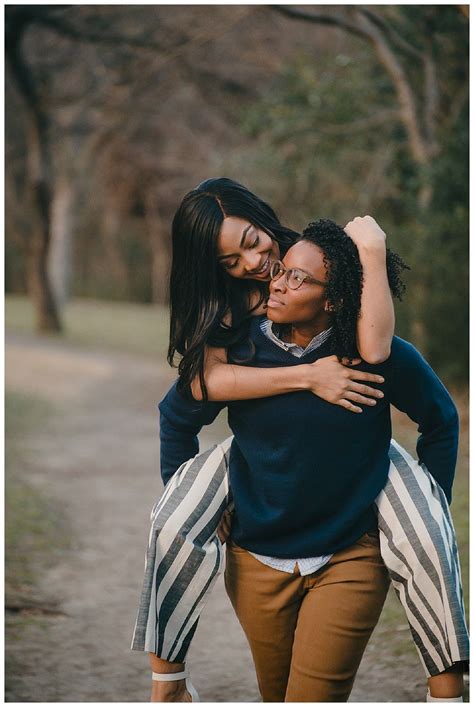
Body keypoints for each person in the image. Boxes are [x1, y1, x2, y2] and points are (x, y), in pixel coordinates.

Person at [131, 182, 468, 700]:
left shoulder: (338, 298)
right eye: (230, 260)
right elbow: (187, 405)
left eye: (254, 242)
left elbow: (435, 414)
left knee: (424, 529)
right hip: (258, 554)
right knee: (173, 520)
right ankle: (168, 680)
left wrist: (430, 504)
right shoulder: (231, 326)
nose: (257, 266)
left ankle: (449, 684)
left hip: (348, 549)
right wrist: (208, 508)